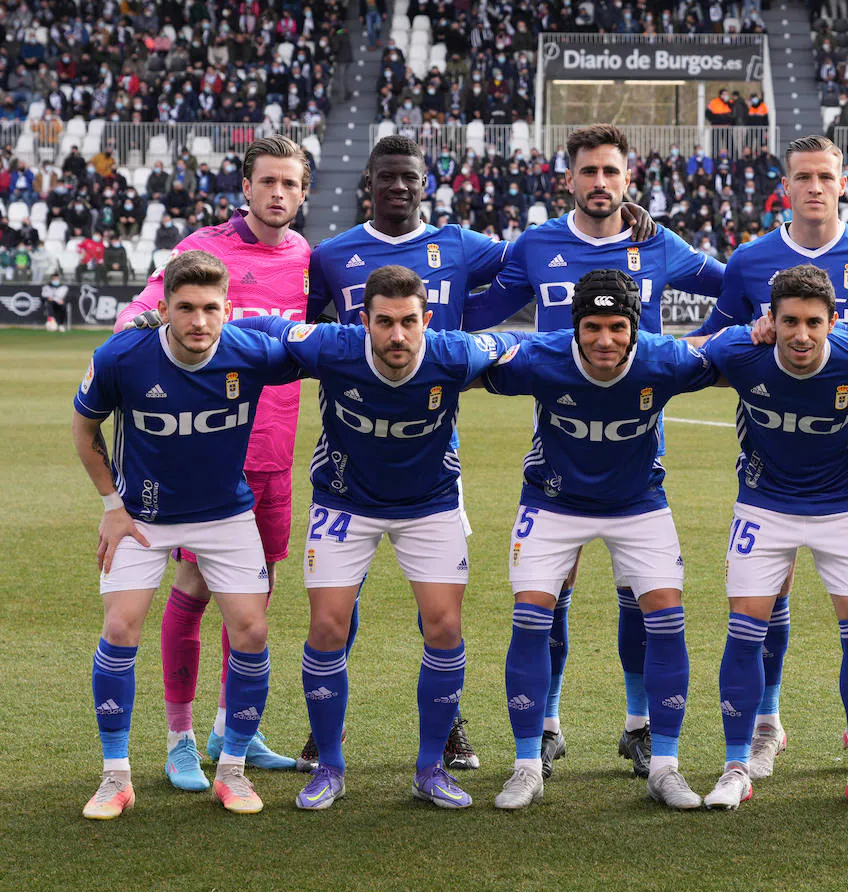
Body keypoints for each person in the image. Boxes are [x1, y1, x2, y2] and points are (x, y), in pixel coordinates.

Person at [464, 124, 724, 780]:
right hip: (561, 441)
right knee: (555, 590)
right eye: (590, 172)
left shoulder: (658, 242)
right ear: (570, 178)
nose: (601, 183)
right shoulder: (538, 244)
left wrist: (693, 349)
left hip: (640, 443)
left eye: (612, 172)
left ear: (628, 179)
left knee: (641, 594)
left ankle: (639, 726)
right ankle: (547, 725)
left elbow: (737, 286)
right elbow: (478, 314)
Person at [689, 135, 848, 780]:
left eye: (824, 176)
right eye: (802, 176)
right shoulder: (752, 260)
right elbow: (708, 341)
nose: (813, 187)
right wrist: (741, 332)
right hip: (771, 457)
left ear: (843, 183)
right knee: (765, 595)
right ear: (786, 184)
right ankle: (767, 722)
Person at [237, 265, 520, 811]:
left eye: (409, 322)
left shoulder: (454, 354)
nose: (397, 335)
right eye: (384, 322)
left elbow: (514, 344)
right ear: (362, 321)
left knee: (444, 625)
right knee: (327, 624)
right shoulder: (331, 347)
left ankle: (430, 768)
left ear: (426, 321)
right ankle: (329, 767)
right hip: (345, 501)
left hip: (430, 504)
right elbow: (270, 328)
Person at [72, 250, 300, 819]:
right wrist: (112, 506)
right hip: (143, 517)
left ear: (228, 309)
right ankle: (115, 777)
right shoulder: (123, 356)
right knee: (120, 628)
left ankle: (233, 772)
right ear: (166, 309)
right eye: (186, 308)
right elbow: (84, 424)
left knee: (250, 630)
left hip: (226, 514)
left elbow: (321, 356)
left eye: (211, 308)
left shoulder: (250, 352)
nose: (199, 321)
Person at [116, 136, 313, 789]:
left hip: (274, 457)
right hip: (207, 459)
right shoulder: (204, 250)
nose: (278, 193)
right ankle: (180, 737)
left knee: (253, 598)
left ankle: (237, 729)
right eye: (267, 182)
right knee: (196, 589)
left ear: (303, 192)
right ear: (246, 187)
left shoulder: (306, 258)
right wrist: (136, 330)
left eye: (290, 183)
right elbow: (141, 312)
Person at [482, 270, 718, 810]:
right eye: (592, 327)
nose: (605, 339)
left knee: (665, 615)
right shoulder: (542, 357)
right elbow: (472, 363)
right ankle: (526, 765)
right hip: (551, 502)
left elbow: (724, 353)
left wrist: (765, 330)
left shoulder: (665, 360)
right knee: (531, 614)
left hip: (638, 505)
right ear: (576, 326)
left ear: (634, 328)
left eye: (617, 327)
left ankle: (665, 764)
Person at [694, 265, 848, 811]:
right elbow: (673, 356)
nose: (802, 335)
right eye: (789, 321)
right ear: (772, 319)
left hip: (843, 509)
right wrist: (739, 333)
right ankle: (737, 765)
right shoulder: (741, 353)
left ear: (833, 322)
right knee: (744, 631)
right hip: (764, 506)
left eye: (814, 322)